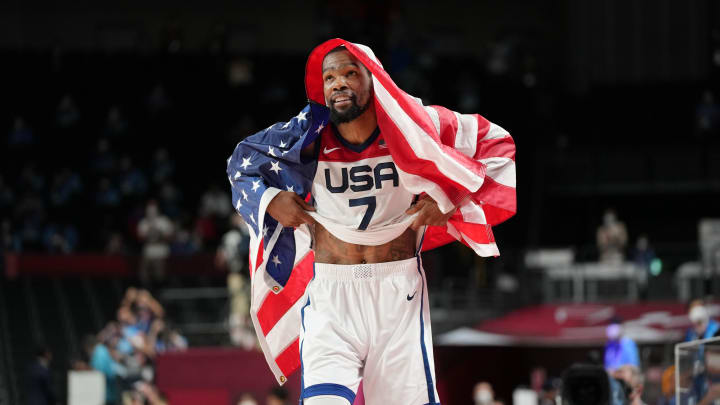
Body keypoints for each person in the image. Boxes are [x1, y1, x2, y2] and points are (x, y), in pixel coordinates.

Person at [226, 39, 516, 404]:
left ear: (373, 77)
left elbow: (498, 146)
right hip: (332, 296)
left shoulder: (416, 125)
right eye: (329, 77)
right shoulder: (306, 134)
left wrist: (449, 200)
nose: (338, 83)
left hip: (397, 293)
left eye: (350, 73)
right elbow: (241, 163)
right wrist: (271, 200)